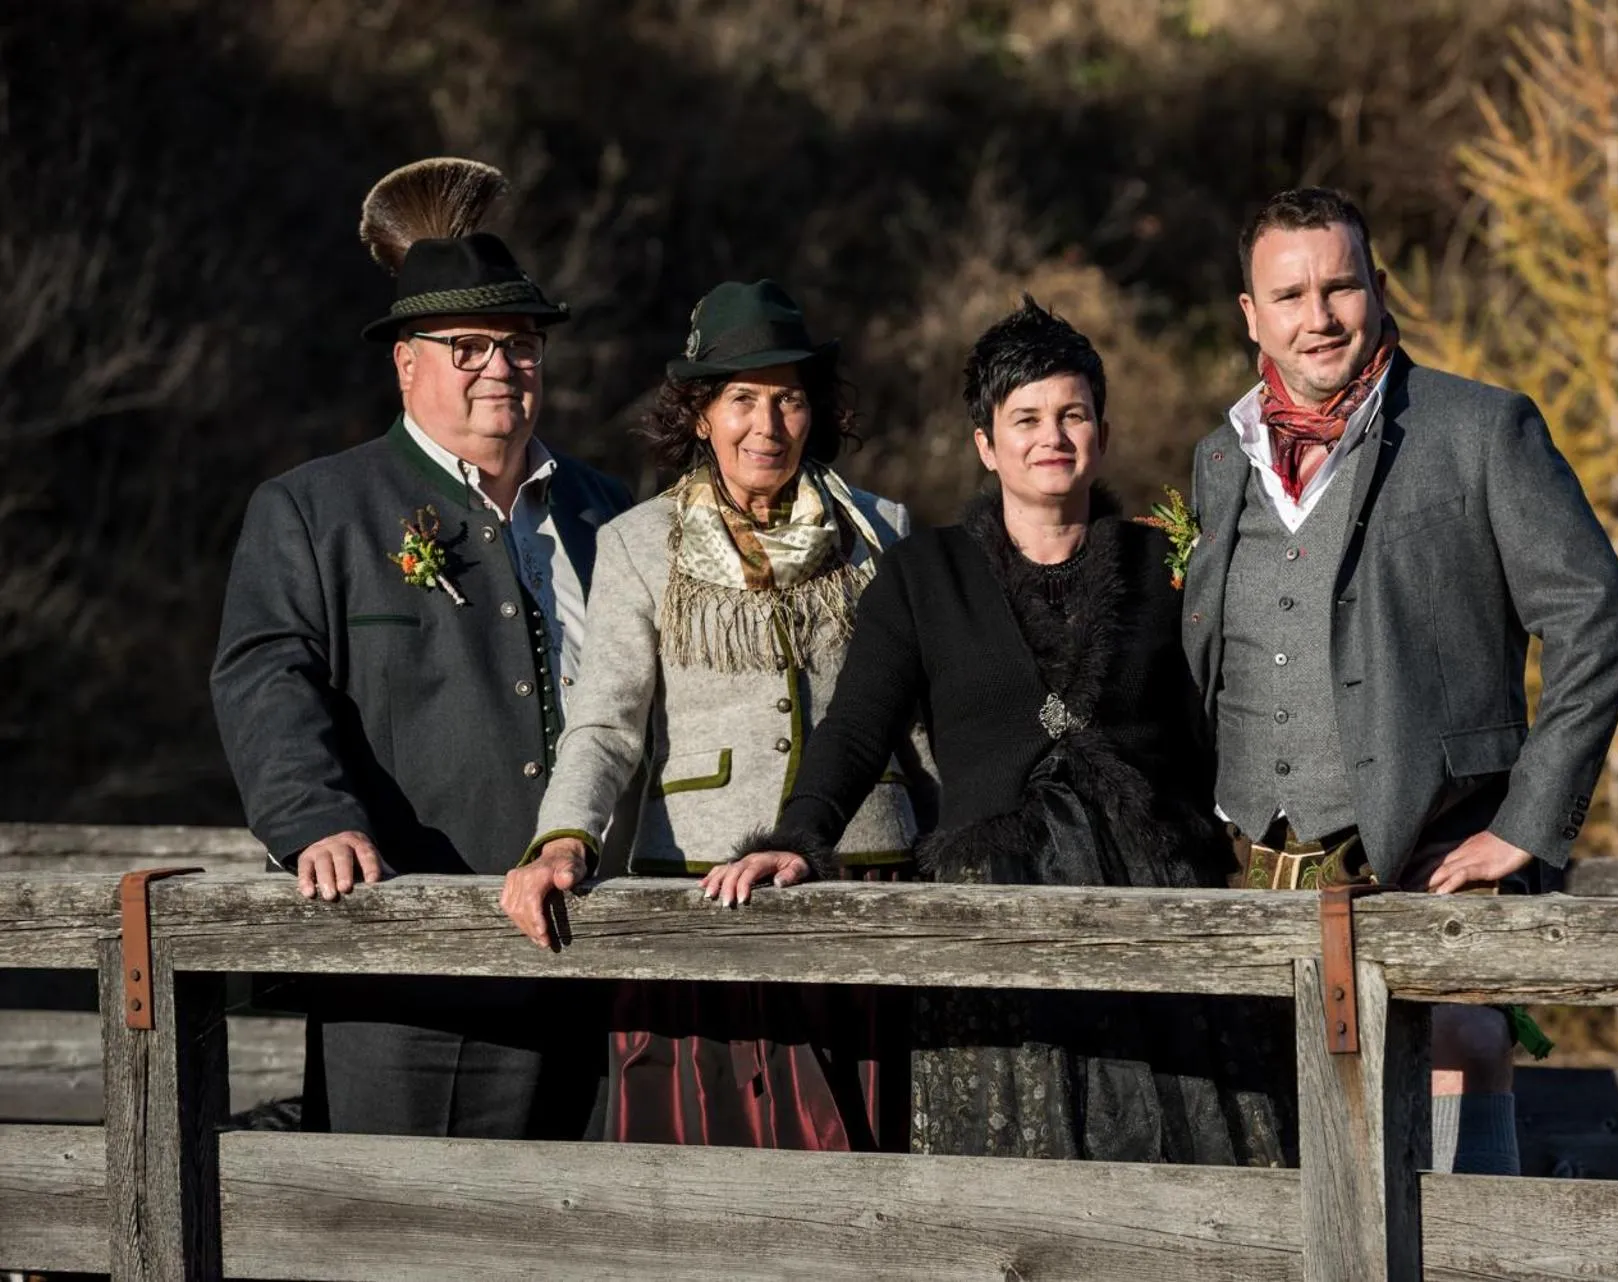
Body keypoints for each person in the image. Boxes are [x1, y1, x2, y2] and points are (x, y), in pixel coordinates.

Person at [713, 298, 1289, 1165]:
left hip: (1159, 913)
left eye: (1071, 413)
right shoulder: (922, 574)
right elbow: (857, 727)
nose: (1049, 435)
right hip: (992, 913)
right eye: (1024, 418)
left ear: (1100, 430)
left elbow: (1228, 719)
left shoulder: (1167, 565)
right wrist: (797, 838)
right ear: (986, 443)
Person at [1183, 187, 1618, 1173]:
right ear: (1249, 315)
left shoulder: (1480, 430)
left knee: (1459, 1083)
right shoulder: (1218, 460)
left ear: (1378, 291)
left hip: (1425, 850)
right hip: (1257, 877)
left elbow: (1594, 615)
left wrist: (1526, 822)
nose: (1318, 316)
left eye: (1340, 285)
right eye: (1290, 293)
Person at [209, 158, 633, 1138]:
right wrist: (312, 819)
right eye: (469, 346)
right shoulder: (318, 510)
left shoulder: (607, 511)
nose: (502, 367)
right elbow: (267, 673)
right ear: (407, 362)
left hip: (600, 949)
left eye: (521, 344)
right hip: (411, 959)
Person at [500, 279, 927, 1150]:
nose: (765, 426)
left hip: (860, 872)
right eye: (741, 400)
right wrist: (562, 840)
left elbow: (923, 718)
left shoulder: (882, 530)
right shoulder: (636, 542)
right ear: (698, 414)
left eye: (788, 400)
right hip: (699, 890)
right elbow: (606, 721)